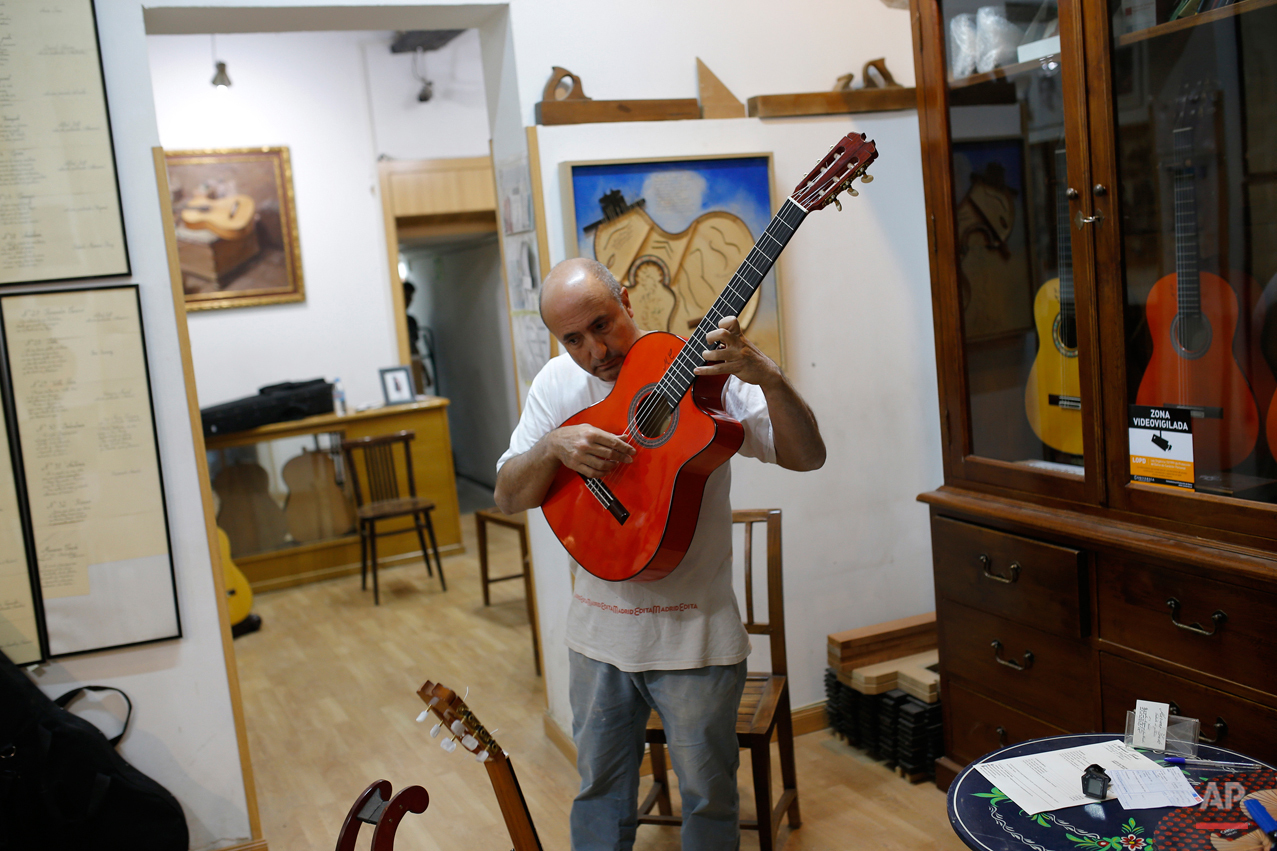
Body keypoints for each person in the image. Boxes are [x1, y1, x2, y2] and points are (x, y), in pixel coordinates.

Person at [494, 257, 825, 851]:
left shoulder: (701, 375)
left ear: (625, 297)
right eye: (573, 339)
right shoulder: (555, 386)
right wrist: (553, 446)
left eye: (602, 324)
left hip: (694, 637)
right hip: (597, 639)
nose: (595, 351)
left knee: (708, 795)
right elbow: (509, 493)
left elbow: (806, 457)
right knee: (599, 790)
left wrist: (769, 377)